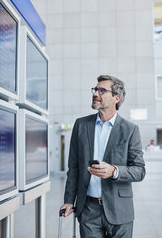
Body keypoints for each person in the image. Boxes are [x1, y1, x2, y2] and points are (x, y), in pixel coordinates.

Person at [60, 75, 146, 238]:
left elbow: (139, 170)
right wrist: (69, 200)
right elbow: (74, 168)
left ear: (116, 98)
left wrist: (114, 171)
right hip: (88, 210)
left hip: (120, 210)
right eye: (95, 89)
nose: (95, 94)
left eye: (102, 90)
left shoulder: (130, 129)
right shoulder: (81, 125)